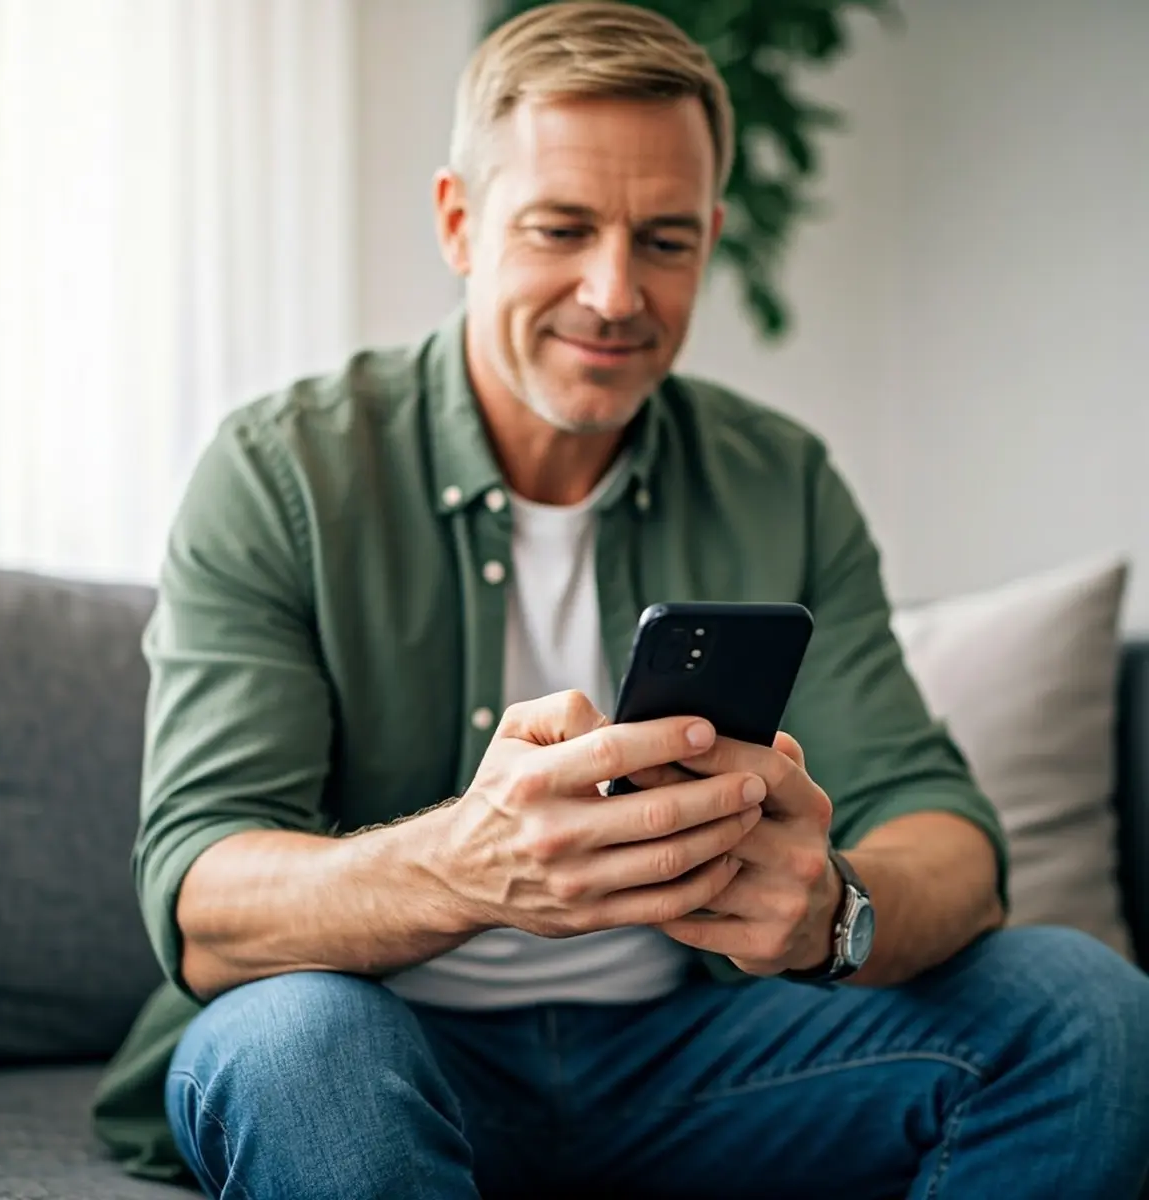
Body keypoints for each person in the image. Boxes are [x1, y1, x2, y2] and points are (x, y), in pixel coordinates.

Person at [93, 3, 1149, 1197]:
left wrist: (832, 912)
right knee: (301, 1046)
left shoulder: (781, 480)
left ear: (708, 238)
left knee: (1084, 1007)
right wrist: (467, 867)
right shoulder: (282, 471)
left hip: (699, 1060)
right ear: (459, 221)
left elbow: (950, 838)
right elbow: (201, 896)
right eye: (562, 228)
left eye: (664, 240)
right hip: (380, 1050)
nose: (613, 293)